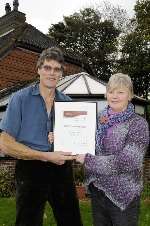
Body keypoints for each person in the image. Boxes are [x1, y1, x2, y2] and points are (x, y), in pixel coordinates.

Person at [0, 47, 83, 226]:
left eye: (56, 69)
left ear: (61, 73)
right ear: (38, 69)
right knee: (27, 222)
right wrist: (45, 156)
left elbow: (78, 141)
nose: (51, 73)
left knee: (72, 221)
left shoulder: (68, 103)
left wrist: (73, 147)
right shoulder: (19, 99)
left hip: (62, 169)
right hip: (30, 169)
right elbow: (5, 144)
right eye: (47, 68)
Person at [76, 73, 149, 226]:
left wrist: (88, 160)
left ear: (130, 95)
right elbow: (81, 141)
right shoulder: (98, 119)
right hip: (98, 191)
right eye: (111, 91)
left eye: (120, 92)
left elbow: (129, 161)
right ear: (106, 94)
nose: (114, 96)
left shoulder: (138, 124)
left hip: (123, 196)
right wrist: (60, 138)